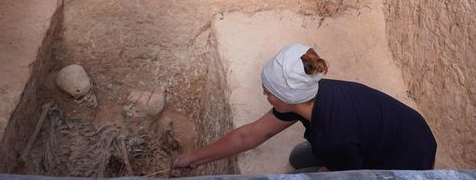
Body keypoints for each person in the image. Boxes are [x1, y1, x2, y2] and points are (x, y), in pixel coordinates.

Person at [172, 44, 437, 172]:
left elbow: (347, 174)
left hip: (408, 162)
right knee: (302, 158)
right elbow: (249, 135)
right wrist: (192, 159)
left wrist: (328, 170)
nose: (264, 94)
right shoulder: (313, 91)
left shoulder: (334, 137)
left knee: (313, 171)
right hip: (406, 130)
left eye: (268, 91)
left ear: (286, 98)